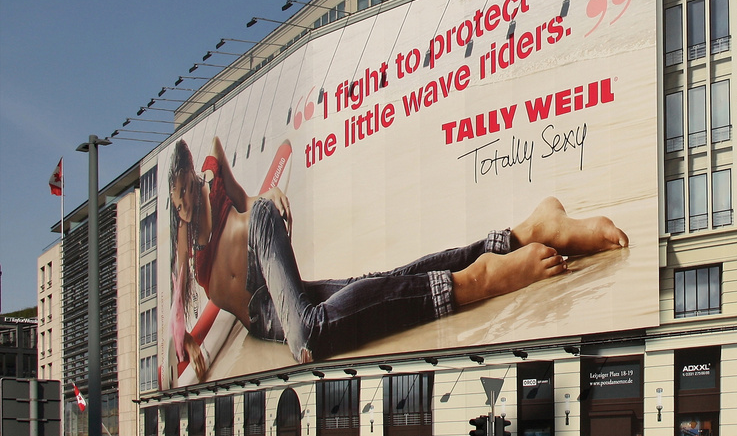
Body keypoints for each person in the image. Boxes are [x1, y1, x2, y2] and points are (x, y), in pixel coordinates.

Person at [168, 136, 628, 373]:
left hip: (268, 263)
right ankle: (524, 232)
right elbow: (182, 311)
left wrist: (266, 195)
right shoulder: (183, 247)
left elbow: (245, 196)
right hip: (267, 307)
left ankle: (477, 280)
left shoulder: (210, 180)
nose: (186, 205)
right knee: (381, 283)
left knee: (307, 338)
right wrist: (189, 337)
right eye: (178, 202)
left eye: (187, 191)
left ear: (192, 177)